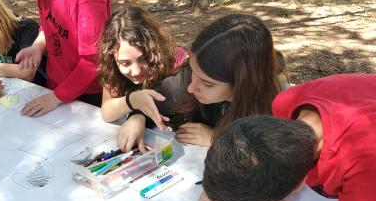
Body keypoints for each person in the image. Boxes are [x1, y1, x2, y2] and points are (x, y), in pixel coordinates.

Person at [201, 74, 376, 201]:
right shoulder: (286, 103)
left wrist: (267, 198)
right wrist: (225, 183)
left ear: (300, 184)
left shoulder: (365, 166)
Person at [115, 13, 285, 150]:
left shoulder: (279, 102)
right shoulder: (188, 78)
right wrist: (137, 117)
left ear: (243, 83)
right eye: (193, 71)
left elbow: (274, 154)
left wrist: (216, 138)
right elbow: (150, 104)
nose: (191, 88)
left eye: (208, 83)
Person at [1, 0, 111, 117]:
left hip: (88, 93)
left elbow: (94, 61)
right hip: (56, 85)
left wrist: (57, 97)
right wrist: (38, 45)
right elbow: (50, 20)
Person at [97, 5, 197, 152]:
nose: (136, 71)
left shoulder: (178, 62)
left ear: (155, 49)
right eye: (125, 63)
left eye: (143, 59)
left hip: (190, 144)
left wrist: (138, 115)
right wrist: (133, 101)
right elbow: (107, 112)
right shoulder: (112, 69)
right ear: (112, 56)